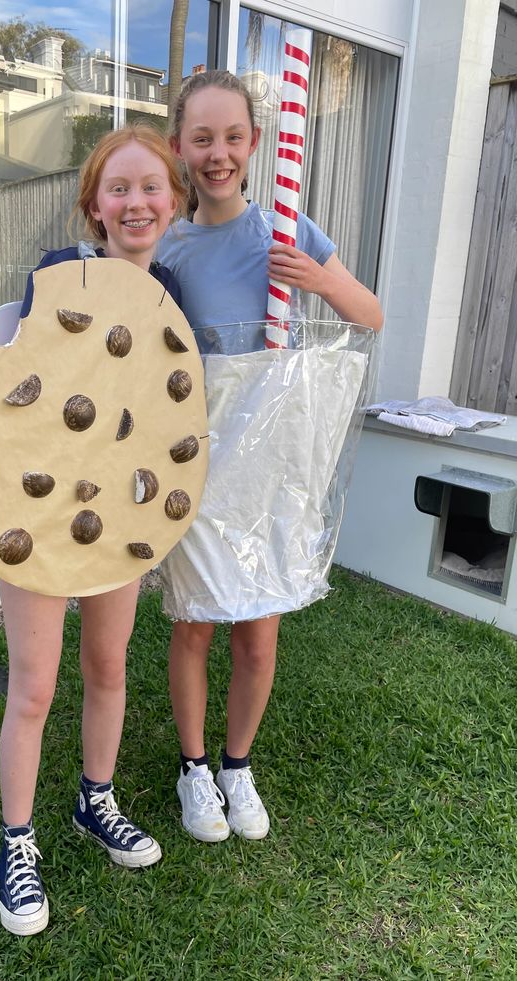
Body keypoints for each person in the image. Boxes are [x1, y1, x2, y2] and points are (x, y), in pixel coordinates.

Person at [0, 124, 186, 936]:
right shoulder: (57, 275)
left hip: (117, 513)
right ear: (92, 205)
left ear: (175, 200)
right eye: (118, 188)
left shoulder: (169, 298)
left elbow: (172, 422)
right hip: (34, 508)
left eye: (151, 187)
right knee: (33, 687)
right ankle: (17, 841)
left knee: (107, 665)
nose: (136, 201)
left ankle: (97, 802)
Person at [156, 69, 383, 844]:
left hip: (274, 469)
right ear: (181, 147)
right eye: (201, 138)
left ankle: (235, 765)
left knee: (259, 631)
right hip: (202, 466)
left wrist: (317, 278)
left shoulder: (287, 228)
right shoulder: (172, 249)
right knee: (194, 625)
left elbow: (371, 313)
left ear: (256, 143)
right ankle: (192, 769)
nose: (217, 153)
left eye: (231, 136)